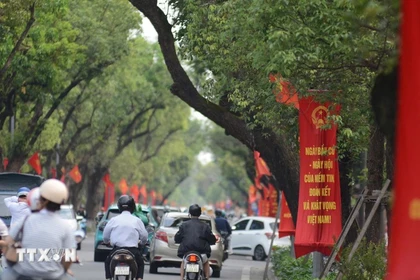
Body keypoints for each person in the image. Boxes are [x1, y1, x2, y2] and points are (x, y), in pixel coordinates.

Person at [1, 179, 76, 280]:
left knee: (5, 274)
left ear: (40, 199)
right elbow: (69, 257)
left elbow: (7, 245)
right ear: (62, 202)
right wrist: (63, 270)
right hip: (53, 276)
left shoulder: (25, 221)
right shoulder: (66, 226)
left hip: (23, 274)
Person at [103, 195, 148, 280]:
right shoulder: (137, 220)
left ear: (119, 206)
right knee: (141, 263)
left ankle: (109, 278)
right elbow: (144, 237)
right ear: (132, 206)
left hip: (116, 250)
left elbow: (105, 236)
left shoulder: (113, 220)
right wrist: (142, 243)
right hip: (133, 251)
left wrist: (106, 242)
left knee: (107, 262)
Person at [174, 204, 216, 280]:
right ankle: (207, 277)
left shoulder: (183, 225)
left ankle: (181, 278)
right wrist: (213, 241)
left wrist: (178, 240)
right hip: (201, 252)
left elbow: (177, 237)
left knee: (183, 261)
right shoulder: (205, 226)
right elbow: (211, 238)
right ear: (200, 213)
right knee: (206, 262)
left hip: (187, 252)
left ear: (189, 213)